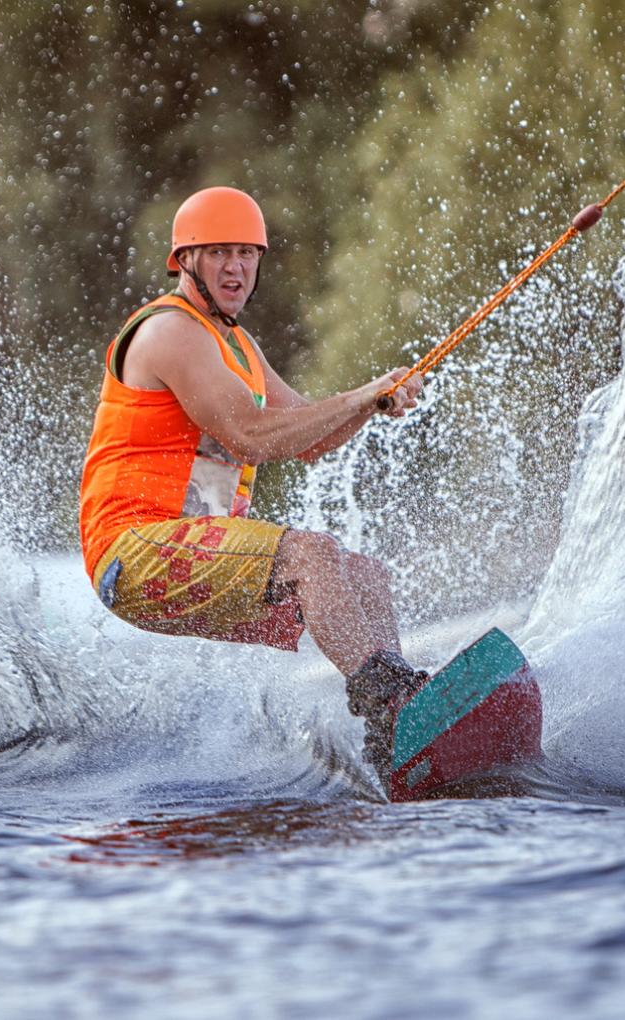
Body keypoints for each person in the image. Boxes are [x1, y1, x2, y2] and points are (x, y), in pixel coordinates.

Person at [79, 186, 429, 779]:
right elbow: (250, 436)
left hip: (194, 554)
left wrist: (374, 402)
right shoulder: (170, 331)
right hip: (132, 552)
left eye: (246, 253)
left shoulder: (238, 345)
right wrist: (361, 395)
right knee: (311, 556)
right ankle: (396, 706)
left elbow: (309, 437)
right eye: (218, 252)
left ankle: (400, 737)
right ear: (184, 261)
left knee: (365, 576)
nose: (235, 268)